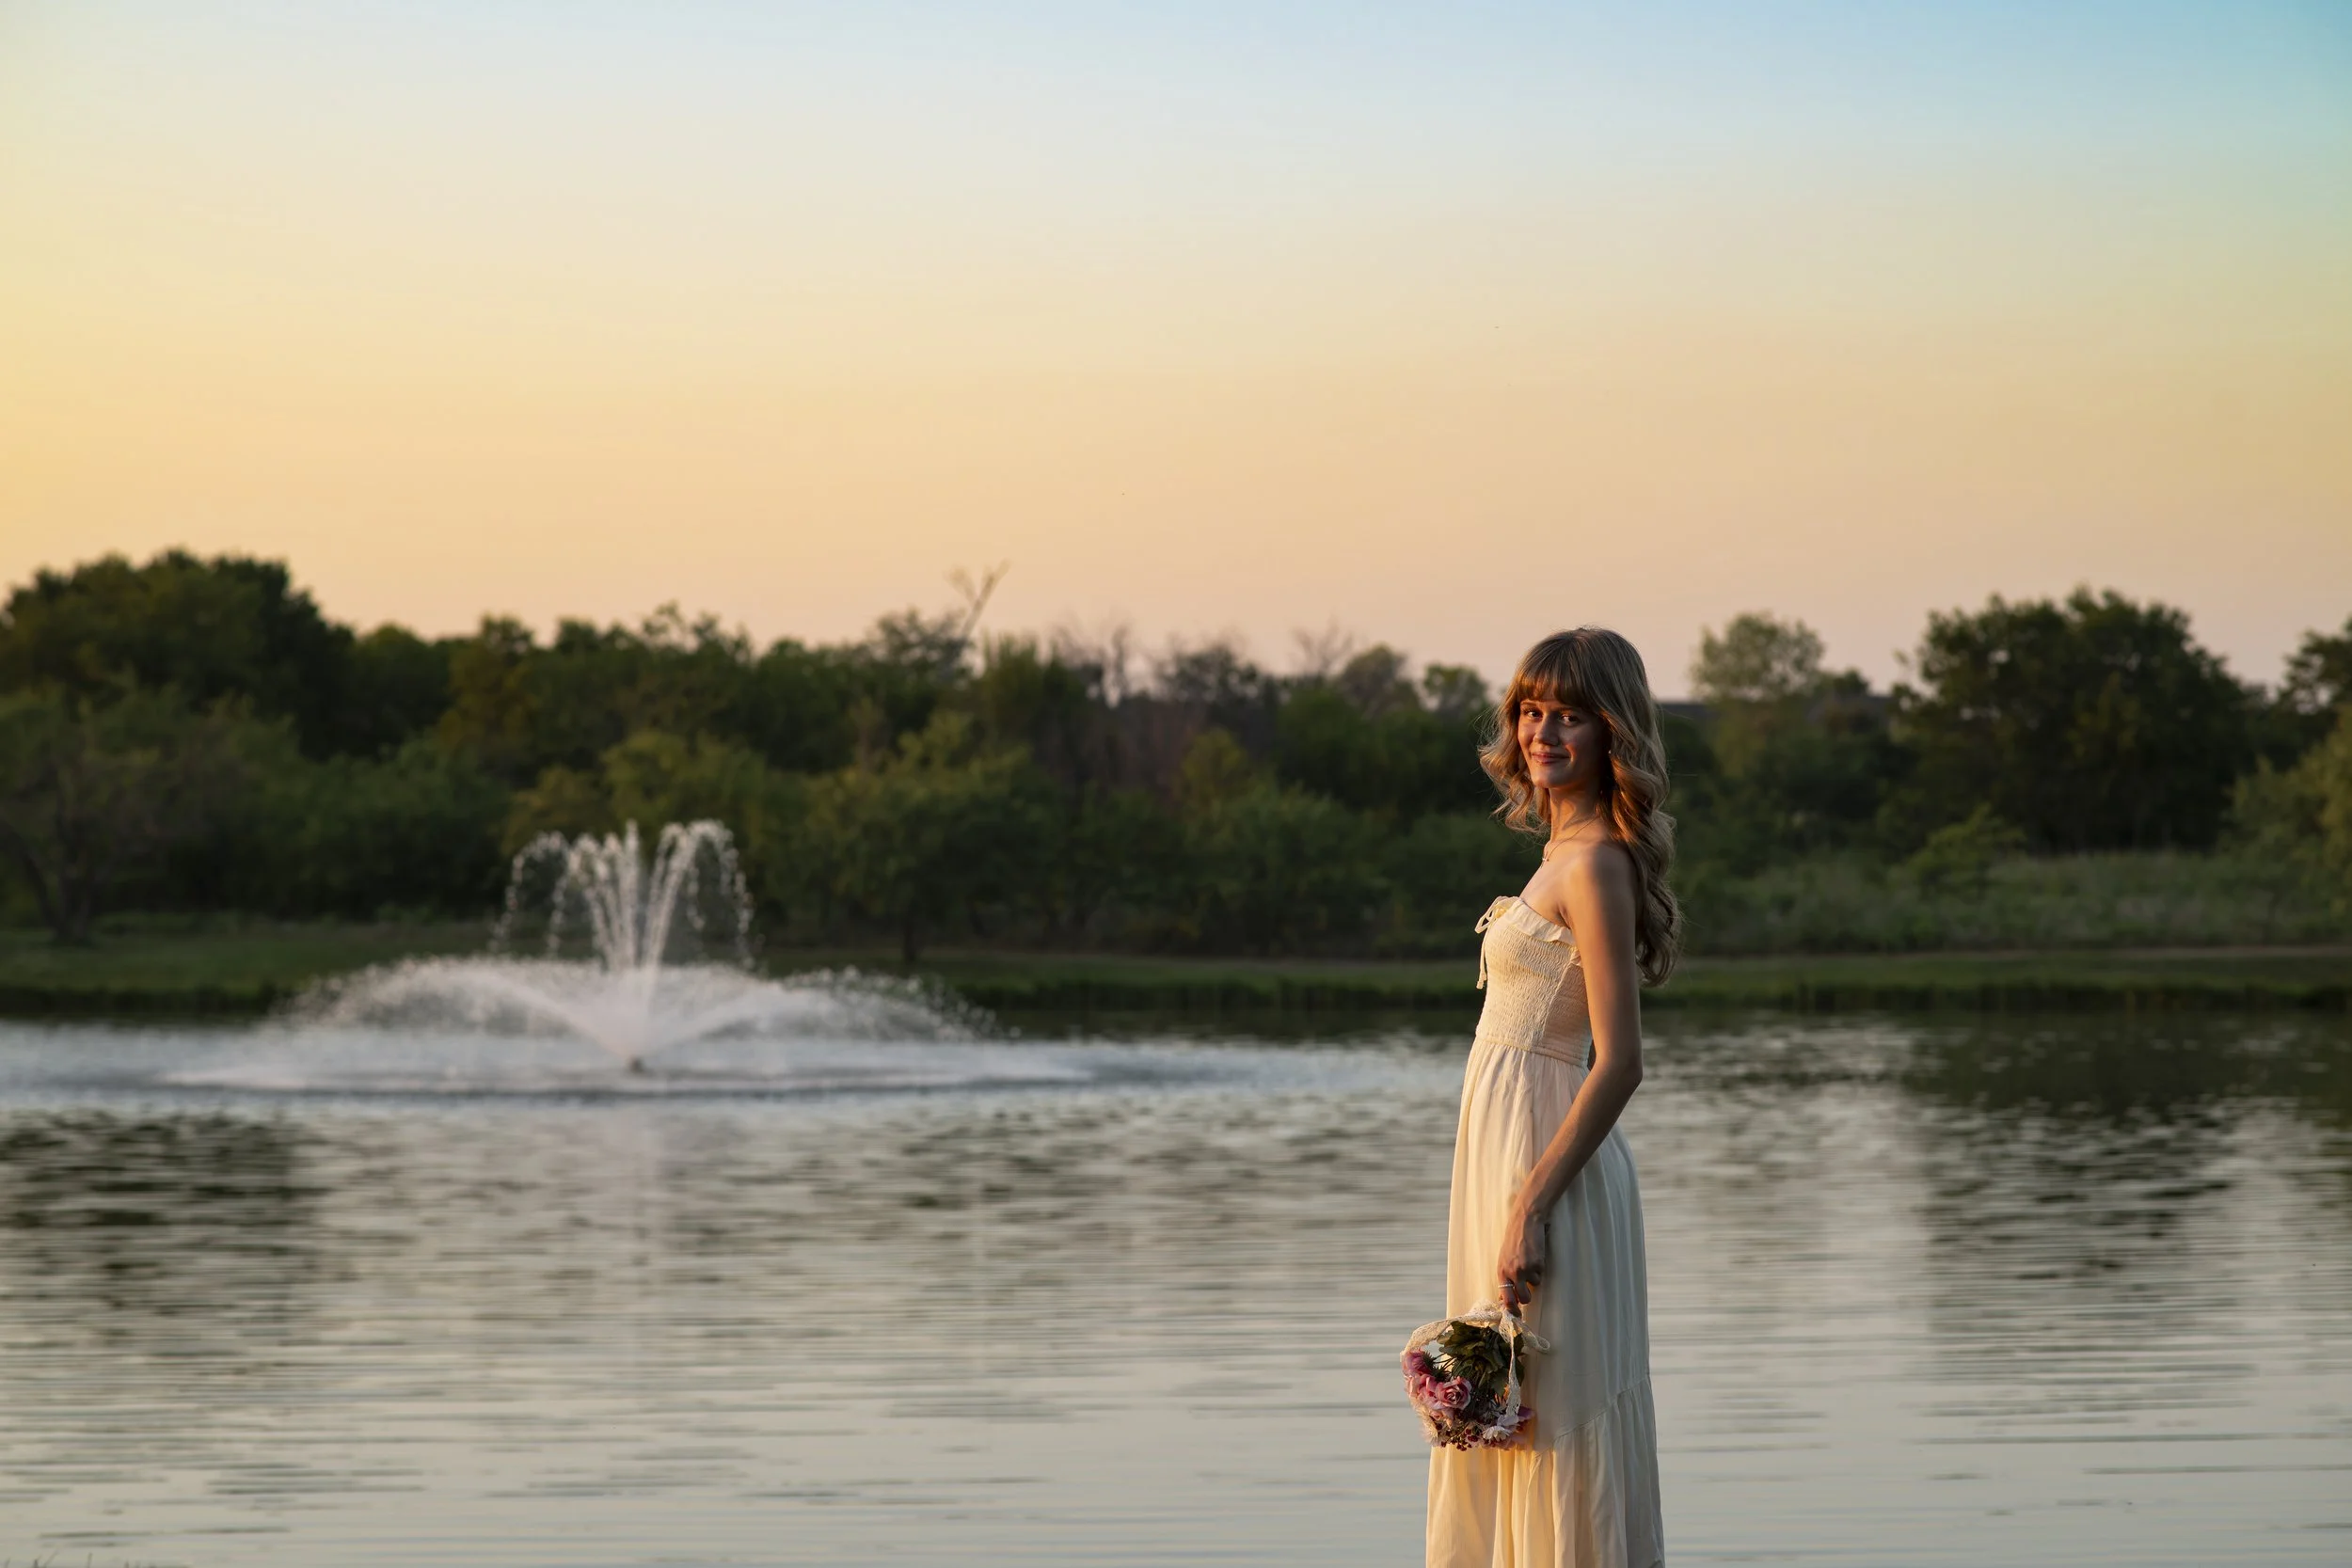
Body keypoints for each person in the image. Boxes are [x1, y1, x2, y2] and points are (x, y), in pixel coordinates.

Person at [1427, 627, 1677, 1568]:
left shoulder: (1597, 862)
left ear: (1610, 727)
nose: (1543, 730)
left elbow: (1620, 1060)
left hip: (1549, 1174)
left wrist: (1531, 1203)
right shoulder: (1556, 848)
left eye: (1569, 712)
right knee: (1504, 1404)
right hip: (1505, 1159)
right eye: (1531, 710)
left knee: (1554, 1409)